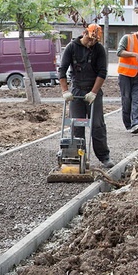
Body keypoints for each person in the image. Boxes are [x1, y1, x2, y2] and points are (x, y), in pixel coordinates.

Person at [58, 23, 111, 167]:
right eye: (90, 39)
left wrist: (93, 92)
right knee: (76, 125)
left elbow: (102, 72)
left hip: (93, 89)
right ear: (84, 33)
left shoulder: (99, 49)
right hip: (76, 91)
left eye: (94, 41)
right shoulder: (71, 47)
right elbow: (62, 70)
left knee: (97, 125)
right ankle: (79, 157)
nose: (91, 43)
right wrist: (65, 91)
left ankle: (104, 157)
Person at [116, 24, 138, 133]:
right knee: (126, 100)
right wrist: (134, 54)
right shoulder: (127, 38)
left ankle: (136, 123)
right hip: (126, 75)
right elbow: (119, 52)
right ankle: (128, 125)